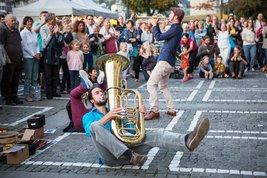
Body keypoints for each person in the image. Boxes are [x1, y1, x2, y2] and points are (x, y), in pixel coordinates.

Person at [82, 85, 210, 167]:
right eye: (97, 93)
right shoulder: (88, 117)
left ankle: (187, 140)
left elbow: (133, 131)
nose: (101, 93)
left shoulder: (116, 111)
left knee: (156, 133)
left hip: (133, 154)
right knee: (95, 126)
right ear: (92, 100)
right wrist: (108, 116)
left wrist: (139, 115)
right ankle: (129, 155)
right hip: (110, 157)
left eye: (101, 91)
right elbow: (90, 131)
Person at [144, 7, 184, 120]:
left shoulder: (175, 28)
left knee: (151, 84)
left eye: (171, 13)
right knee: (163, 86)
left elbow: (158, 37)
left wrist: (154, 25)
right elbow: (163, 36)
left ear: (176, 17)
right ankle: (171, 109)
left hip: (164, 61)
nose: (169, 14)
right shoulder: (177, 28)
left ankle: (154, 110)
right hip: (169, 62)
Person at [0, 14, 24, 105]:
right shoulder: (3, 31)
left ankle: (15, 97)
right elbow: (2, 46)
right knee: (8, 80)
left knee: (16, 79)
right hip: (10, 60)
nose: (14, 22)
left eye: (15, 20)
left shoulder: (16, 31)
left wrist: (21, 55)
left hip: (18, 58)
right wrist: (7, 58)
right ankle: (8, 99)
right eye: (12, 20)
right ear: (6, 22)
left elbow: (19, 43)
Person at [40, 13, 64, 99]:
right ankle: (49, 93)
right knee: (48, 75)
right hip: (47, 53)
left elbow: (60, 42)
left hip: (56, 53)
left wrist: (57, 33)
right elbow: (45, 42)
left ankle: (54, 92)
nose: (54, 20)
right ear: (49, 19)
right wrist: (51, 33)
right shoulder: (43, 28)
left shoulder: (55, 27)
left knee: (55, 74)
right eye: (53, 19)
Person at [20, 16, 40, 102]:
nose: (30, 23)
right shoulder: (23, 33)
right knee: (28, 77)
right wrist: (33, 54)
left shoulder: (33, 32)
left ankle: (34, 94)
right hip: (28, 57)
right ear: (25, 23)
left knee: (35, 77)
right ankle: (26, 94)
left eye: (31, 21)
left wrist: (38, 52)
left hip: (36, 56)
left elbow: (37, 44)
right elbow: (24, 46)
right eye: (28, 22)